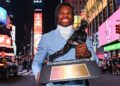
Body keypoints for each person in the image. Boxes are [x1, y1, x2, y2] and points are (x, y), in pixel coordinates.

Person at [32, 2, 99, 86]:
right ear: (57, 16)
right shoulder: (46, 38)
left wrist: (88, 54)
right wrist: (38, 74)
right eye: (61, 13)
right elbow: (37, 61)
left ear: (73, 16)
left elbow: (96, 62)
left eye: (69, 13)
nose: (65, 15)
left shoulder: (83, 35)